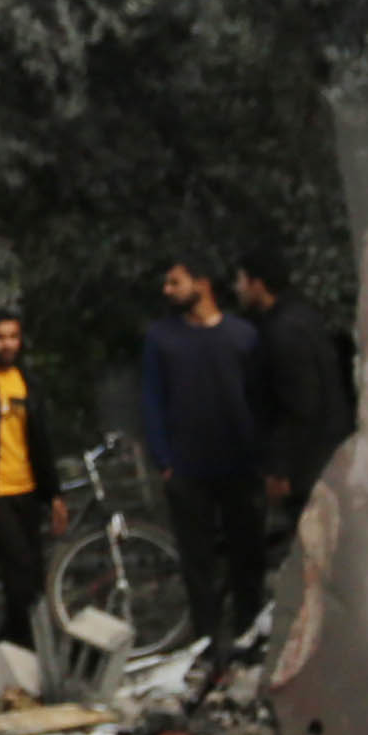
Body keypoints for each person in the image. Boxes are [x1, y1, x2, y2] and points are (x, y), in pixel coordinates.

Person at [135, 260, 268, 652]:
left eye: (174, 282)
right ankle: (208, 645)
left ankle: (249, 638)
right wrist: (164, 461)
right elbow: (152, 401)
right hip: (187, 469)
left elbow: (261, 398)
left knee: (248, 557)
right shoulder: (161, 339)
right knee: (197, 564)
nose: (167, 290)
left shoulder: (243, 336)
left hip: (240, 464)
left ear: (201, 283)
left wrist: (263, 455)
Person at [232, 257, 352, 517]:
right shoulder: (303, 319)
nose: (237, 288)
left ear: (258, 284)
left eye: (241, 280)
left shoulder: (282, 331)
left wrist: (279, 469)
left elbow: (298, 405)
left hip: (307, 468)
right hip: (325, 461)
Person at [0, 308, 66, 641]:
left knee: (34, 574)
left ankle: (19, 643)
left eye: (13, 337)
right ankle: (20, 645)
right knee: (19, 572)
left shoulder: (28, 383)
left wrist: (53, 494)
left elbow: (42, 441)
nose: (7, 344)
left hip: (28, 488)